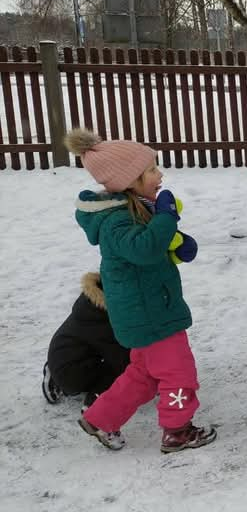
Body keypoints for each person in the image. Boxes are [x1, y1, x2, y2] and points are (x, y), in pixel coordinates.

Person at [64, 128, 214, 453]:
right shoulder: (115, 221)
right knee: (179, 375)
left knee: (143, 376)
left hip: (148, 310)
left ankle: (100, 417)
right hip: (151, 315)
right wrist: (166, 217)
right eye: (151, 170)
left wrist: (176, 247)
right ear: (128, 180)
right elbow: (143, 248)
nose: (160, 175)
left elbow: (148, 251)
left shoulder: (132, 208)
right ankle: (177, 430)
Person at [42, 272, 130, 411]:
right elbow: (121, 359)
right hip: (72, 374)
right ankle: (95, 401)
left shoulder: (90, 305)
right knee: (120, 367)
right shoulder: (103, 319)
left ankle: (54, 373)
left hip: (60, 357)